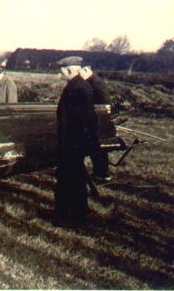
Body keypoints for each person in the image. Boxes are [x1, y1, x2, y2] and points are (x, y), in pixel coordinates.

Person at [55, 57, 101, 225]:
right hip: (73, 143)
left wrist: (72, 144)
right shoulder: (77, 86)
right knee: (74, 180)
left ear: (69, 70)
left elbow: (81, 120)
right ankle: (74, 215)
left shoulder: (78, 88)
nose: (59, 73)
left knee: (71, 181)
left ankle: (69, 217)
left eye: (61, 70)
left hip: (72, 143)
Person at [81, 65, 112, 181]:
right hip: (94, 118)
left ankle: (103, 174)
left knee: (98, 148)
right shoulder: (91, 81)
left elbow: (105, 103)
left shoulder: (95, 83)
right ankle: (100, 173)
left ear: (86, 70)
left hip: (98, 120)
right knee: (96, 148)